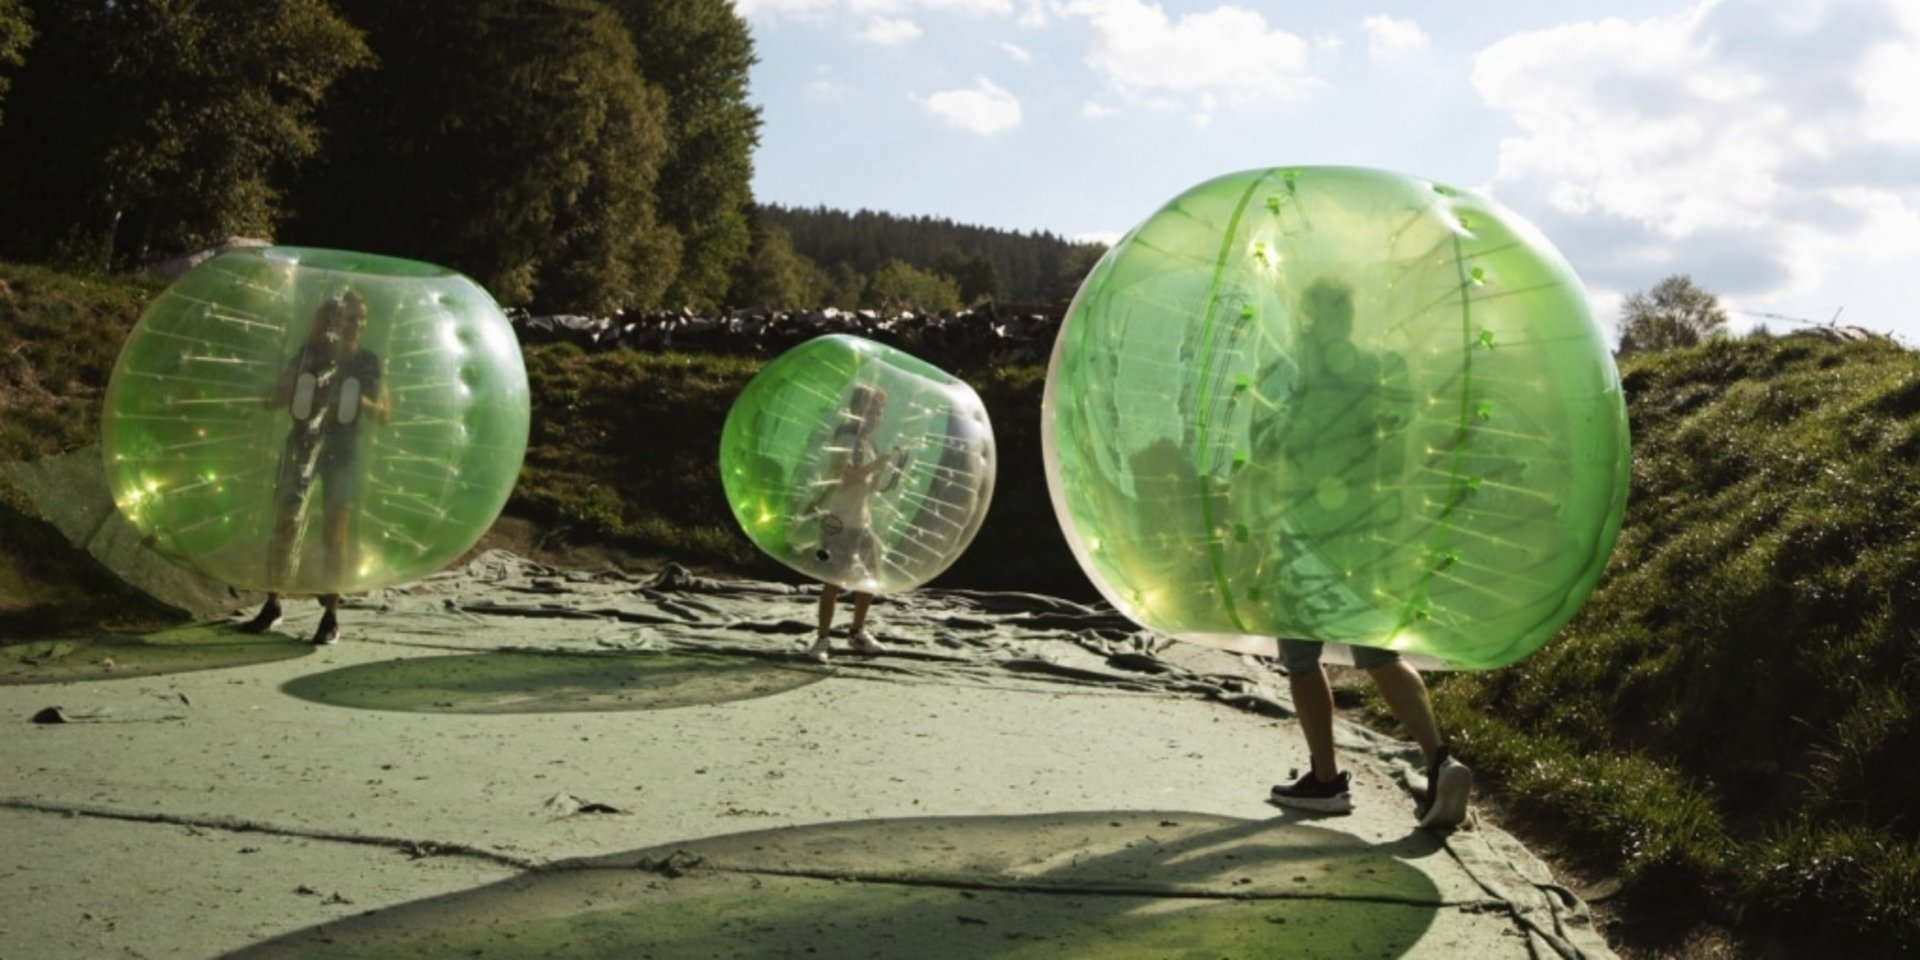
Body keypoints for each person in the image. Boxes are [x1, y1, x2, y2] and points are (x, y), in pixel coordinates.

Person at [1257, 279, 1473, 829]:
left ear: (1308, 316)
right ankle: (1438, 760)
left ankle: (1326, 781)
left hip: (1305, 534)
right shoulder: (1381, 369)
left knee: (1302, 662)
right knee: (1378, 655)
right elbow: (1400, 444)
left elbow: (1267, 446)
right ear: (1350, 317)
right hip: (1366, 532)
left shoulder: (1296, 372)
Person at [237, 289, 390, 645]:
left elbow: (384, 413)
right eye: (350, 317)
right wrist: (279, 394)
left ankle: (331, 616)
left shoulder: (367, 361)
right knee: (285, 524)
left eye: (361, 319)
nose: (357, 324)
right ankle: (272, 602)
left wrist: (354, 399)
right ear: (334, 320)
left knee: (334, 534)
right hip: (302, 445)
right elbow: (278, 396)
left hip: (343, 452)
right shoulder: (310, 355)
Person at [804, 383, 902, 662]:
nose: (877, 418)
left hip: (861, 520)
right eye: (872, 411)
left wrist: (885, 475)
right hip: (839, 521)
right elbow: (843, 479)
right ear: (856, 410)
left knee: (868, 579)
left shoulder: (867, 444)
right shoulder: (847, 439)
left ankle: (856, 632)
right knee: (833, 580)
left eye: (880, 412)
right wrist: (876, 465)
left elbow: (866, 487)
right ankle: (822, 640)